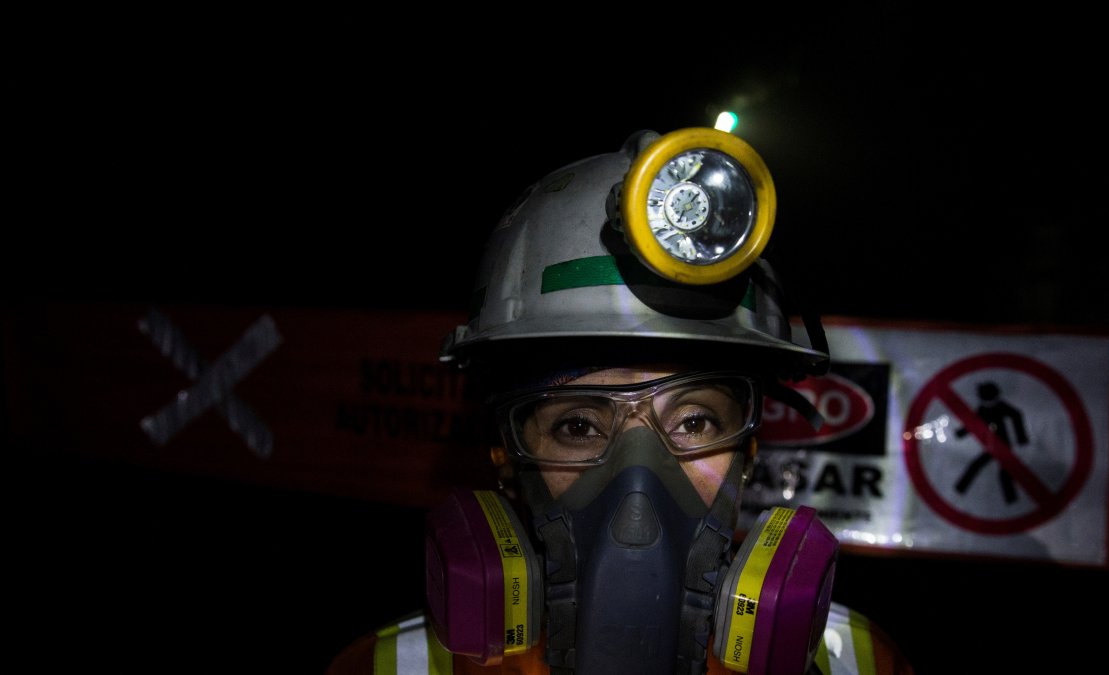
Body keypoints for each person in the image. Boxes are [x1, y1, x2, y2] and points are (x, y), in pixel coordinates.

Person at [327, 128, 911, 674]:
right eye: (578, 425)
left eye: (694, 420)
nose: (639, 487)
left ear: (749, 454)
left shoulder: (856, 662)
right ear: (506, 461)